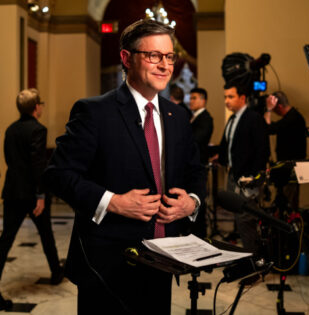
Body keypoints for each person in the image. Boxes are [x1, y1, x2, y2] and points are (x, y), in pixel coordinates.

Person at [44, 20, 206, 314]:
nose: (164, 65)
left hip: (162, 258)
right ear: (126, 58)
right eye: (153, 55)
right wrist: (114, 202)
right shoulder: (94, 111)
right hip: (106, 264)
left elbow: (196, 173)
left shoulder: (178, 116)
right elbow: (58, 175)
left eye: (169, 57)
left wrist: (190, 203)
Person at [0, 89, 64, 310]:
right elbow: (38, 165)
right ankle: (56, 272)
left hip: (12, 191)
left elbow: (10, 160)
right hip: (31, 193)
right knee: (46, 233)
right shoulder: (38, 129)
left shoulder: (11, 129)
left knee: (5, 240)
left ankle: (56, 270)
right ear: (36, 107)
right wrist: (40, 195)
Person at [217, 82, 269, 253]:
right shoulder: (232, 119)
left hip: (248, 177)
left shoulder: (253, 118)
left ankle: (254, 260)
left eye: (230, 97)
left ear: (242, 98)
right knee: (239, 218)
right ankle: (249, 257)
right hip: (234, 174)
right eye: (225, 97)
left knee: (246, 219)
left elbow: (262, 150)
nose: (227, 101)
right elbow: (228, 146)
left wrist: (253, 177)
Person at [264, 91, 307, 210]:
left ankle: (289, 226)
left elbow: (269, 129)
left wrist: (267, 111)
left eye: (274, 109)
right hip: (289, 168)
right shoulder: (293, 116)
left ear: (279, 106)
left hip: (292, 169)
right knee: (288, 201)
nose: (273, 112)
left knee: (288, 203)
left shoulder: (292, 119)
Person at [189, 87, 213, 238]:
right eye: (190, 98)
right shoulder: (194, 117)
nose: (191, 101)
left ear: (203, 101)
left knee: (198, 204)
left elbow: (196, 141)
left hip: (198, 165)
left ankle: (199, 237)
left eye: (194, 98)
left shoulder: (205, 118)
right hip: (192, 165)